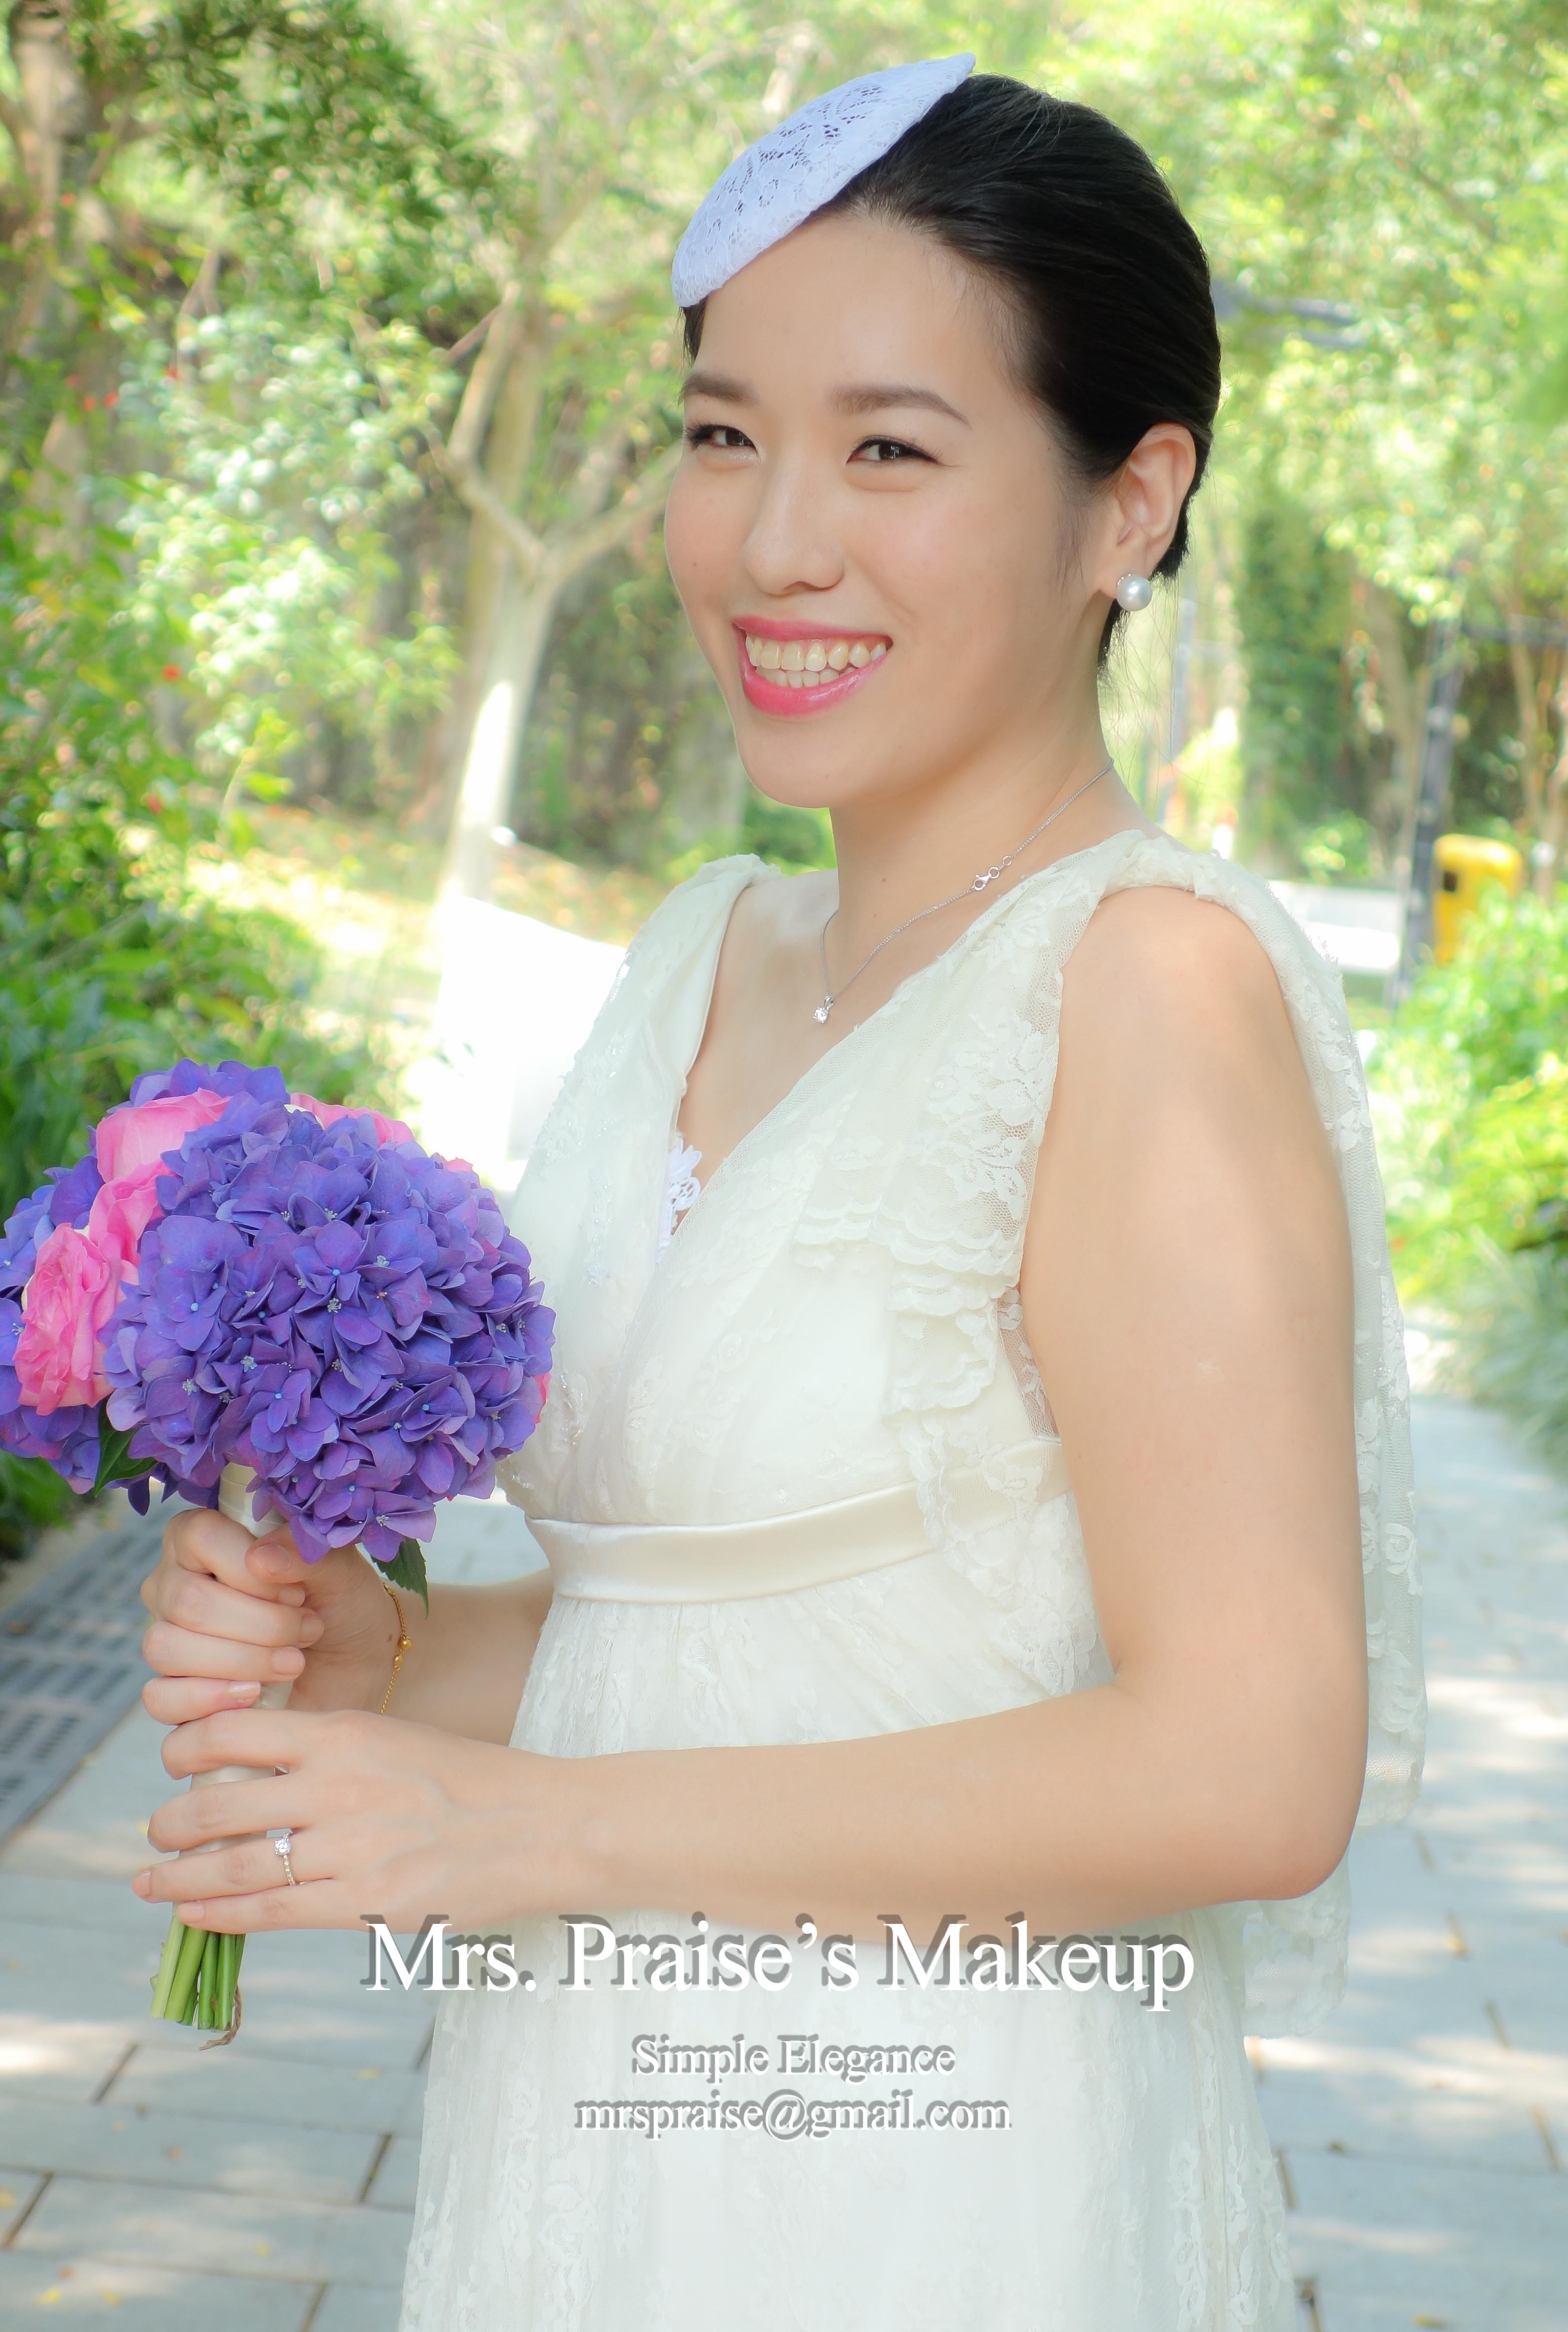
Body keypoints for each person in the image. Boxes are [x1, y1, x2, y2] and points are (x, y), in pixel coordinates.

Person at [133, 59, 1424, 2329]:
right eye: (726, 435)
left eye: (890, 451)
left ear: (1132, 504)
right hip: (593, 2141)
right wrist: (381, 1653)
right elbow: (695, 1620)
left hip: (942, 2181)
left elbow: (1252, 1762)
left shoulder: (1142, 989)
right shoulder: (702, 952)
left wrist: (535, 1831)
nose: (771, 541)